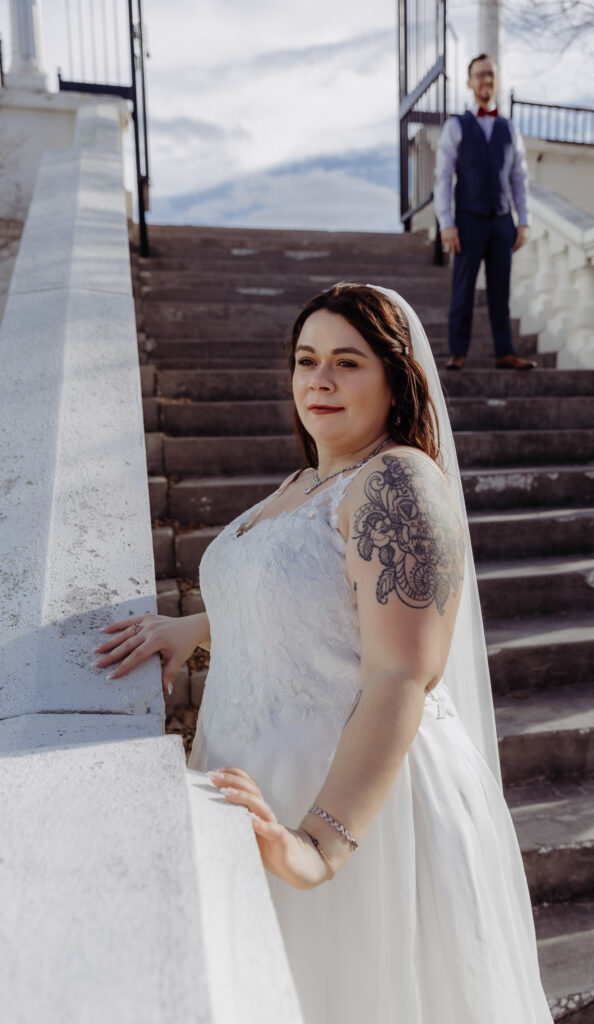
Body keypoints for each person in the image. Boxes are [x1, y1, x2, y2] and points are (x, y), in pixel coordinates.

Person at [95, 283, 553, 1023]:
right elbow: (314, 602)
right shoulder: (308, 482)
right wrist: (197, 627)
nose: (319, 379)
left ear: (394, 380)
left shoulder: (397, 482)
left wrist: (320, 845)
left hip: (352, 801)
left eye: (348, 362)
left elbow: (402, 669)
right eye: (307, 360)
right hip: (253, 782)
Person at [434, 53, 536, 371]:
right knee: (463, 288)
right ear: (469, 82)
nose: (486, 80)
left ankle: (504, 351)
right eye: (480, 75)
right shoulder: (456, 126)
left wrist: (524, 221)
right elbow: (443, 177)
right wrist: (446, 222)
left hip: (503, 220)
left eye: (490, 74)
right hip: (467, 219)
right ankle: (457, 353)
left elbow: (519, 178)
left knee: (500, 289)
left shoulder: (510, 129)